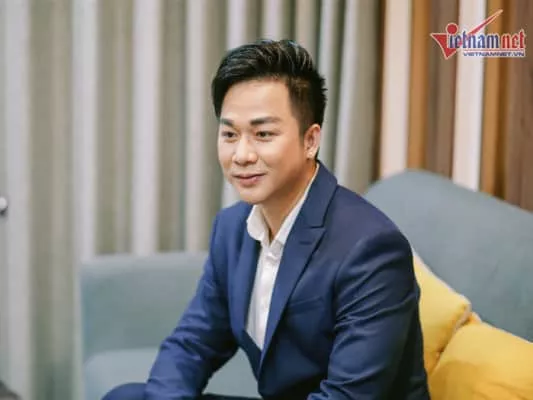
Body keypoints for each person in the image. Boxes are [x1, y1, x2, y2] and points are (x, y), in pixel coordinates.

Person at [103, 39, 429, 400]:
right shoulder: (232, 228)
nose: (241, 155)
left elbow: (347, 395)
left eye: (263, 134)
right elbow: (192, 344)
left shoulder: (371, 248)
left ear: (310, 140)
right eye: (230, 134)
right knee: (127, 397)